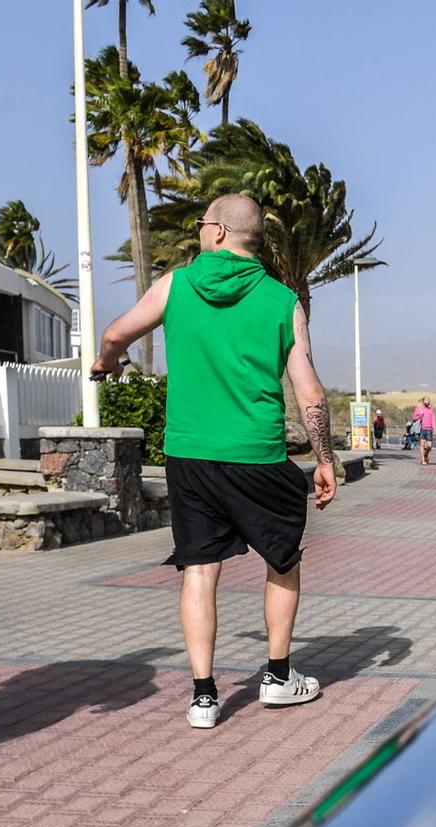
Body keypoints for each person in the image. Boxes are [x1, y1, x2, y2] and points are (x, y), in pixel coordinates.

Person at [92, 193, 337, 730]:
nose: (200, 232)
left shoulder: (175, 285)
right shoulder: (280, 300)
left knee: (200, 569)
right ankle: (277, 677)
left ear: (221, 232)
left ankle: (204, 697)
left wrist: (107, 363)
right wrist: (325, 459)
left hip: (190, 454)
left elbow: (114, 334)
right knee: (283, 562)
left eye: (203, 224)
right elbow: (309, 392)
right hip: (258, 454)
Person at [412, 395, 436, 465]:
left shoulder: (431, 410)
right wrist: (420, 414)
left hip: (429, 430)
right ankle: (423, 460)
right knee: (422, 445)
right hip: (422, 429)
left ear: (429, 402)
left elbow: (433, 420)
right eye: (425, 400)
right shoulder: (419, 409)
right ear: (423, 401)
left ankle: (426, 454)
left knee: (429, 446)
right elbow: (414, 417)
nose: (426, 401)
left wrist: (435, 429)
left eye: (428, 400)